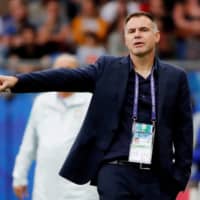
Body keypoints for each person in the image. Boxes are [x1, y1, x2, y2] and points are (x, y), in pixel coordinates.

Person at [0, 12, 193, 200]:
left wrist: (178, 180)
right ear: (125, 39)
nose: (137, 35)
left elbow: (184, 131)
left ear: (157, 36)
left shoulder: (175, 77)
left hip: (157, 176)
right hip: (115, 172)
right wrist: (18, 82)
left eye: (143, 30)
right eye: (131, 31)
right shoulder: (107, 69)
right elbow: (63, 78)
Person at [12, 54, 98, 200]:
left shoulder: (92, 101)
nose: (63, 76)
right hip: (46, 186)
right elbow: (29, 143)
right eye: (58, 70)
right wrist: (19, 176)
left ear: (79, 73)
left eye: (68, 70)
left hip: (81, 188)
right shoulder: (42, 101)